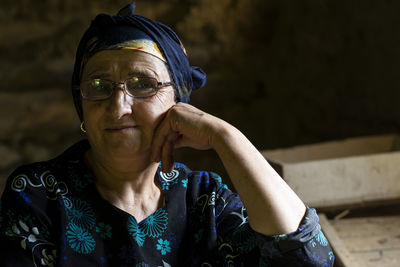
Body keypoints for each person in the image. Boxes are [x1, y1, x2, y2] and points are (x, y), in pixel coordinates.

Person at [0, 3, 334, 266]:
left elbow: (308, 259)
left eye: (143, 85)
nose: (118, 108)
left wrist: (225, 136)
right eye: (98, 87)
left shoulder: (204, 200)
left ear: (178, 103)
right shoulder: (39, 196)